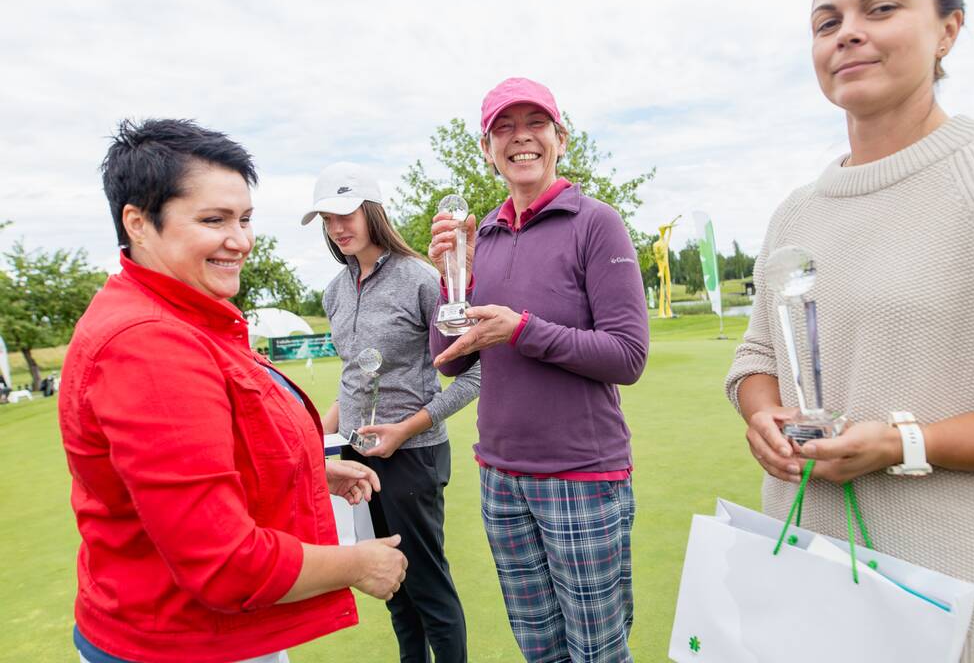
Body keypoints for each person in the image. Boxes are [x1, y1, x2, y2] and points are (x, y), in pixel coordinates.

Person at [725, 0, 974, 661]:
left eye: (880, 8)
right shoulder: (795, 212)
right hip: (808, 603)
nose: (847, 33)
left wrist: (902, 443)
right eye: (827, 22)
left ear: (949, 28)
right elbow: (756, 357)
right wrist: (761, 411)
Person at [59, 119, 408, 663]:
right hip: (181, 643)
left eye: (245, 219)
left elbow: (220, 447)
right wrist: (359, 563)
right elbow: (223, 563)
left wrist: (312, 471)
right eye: (213, 220)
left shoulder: (180, 310)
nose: (240, 240)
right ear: (139, 223)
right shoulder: (150, 344)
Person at [429, 77, 649, 663]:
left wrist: (522, 331)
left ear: (560, 138)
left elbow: (627, 356)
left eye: (535, 125)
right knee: (540, 651)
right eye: (504, 127)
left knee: (597, 653)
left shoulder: (595, 222)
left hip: (581, 476)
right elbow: (451, 359)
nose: (520, 138)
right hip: (500, 478)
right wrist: (454, 279)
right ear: (486, 147)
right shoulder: (488, 236)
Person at [301, 162, 480, 663]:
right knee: (393, 591)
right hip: (358, 463)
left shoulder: (423, 278)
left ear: (372, 211)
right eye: (327, 218)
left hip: (413, 457)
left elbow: (474, 374)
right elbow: (354, 378)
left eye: (347, 212)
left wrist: (405, 430)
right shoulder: (335, 291)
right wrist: (316, 437)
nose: (338, 226)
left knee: (428, 590)